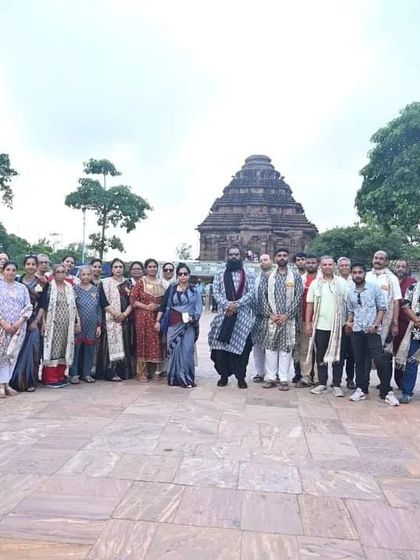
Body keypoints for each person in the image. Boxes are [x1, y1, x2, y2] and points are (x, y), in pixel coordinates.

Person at [346, 263, 399, 405]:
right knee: (360, 361)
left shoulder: (374, 288)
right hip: (357, 331)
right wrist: (349, 322)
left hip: (373, 331)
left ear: (364, 273)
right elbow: (351, 311)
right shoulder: (350, 292)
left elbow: (382, 307)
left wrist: (376, 324)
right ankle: (361, 389)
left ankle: (386, 392)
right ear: (351, 274)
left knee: (379, 360)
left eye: (360, 272)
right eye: (355, 272)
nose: (357, 275)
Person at [209, 245, 255, 389]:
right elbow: (215, 292)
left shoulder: (249, 273)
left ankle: (241, 377)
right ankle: (223, 376)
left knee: (242, 349)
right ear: (227, 256)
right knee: (221, 350)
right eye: (231, 254)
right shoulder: (220, 273)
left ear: (241, 256)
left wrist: (237, 305)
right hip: (223, 316)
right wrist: (228, 305)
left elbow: (252, 292)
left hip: (242, 318)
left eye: (236, 254)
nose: (233, 257)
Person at [257, 249, 303, 391]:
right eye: (279, 256)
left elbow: (298, 297)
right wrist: (270, 314)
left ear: (288, 258)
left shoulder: (295, 276)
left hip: (288, 320)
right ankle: (271, 377)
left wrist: (287, 315)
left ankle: (283, 378)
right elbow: (262, 296)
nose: (282, 258)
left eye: (284, 256)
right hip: (272, 318)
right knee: (271, 348)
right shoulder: (268, 275)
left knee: (286, 349)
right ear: (275, 258)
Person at [306, 256, 349, 396]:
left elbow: (349, 305)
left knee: (338, 357)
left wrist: (349, 321)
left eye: (330, 264)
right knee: (321, 356)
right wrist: (308, 323)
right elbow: (310, 304)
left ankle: (337, 384)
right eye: (324, 264)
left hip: (338, 326)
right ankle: (322, 383)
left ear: (334, 266)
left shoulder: (342, 283)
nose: (327, 267)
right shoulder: (315, 283)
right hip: (320, 325)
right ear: (320, 266)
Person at [156, 263, 202, 388]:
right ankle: (174, 378)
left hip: (189, 325)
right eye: (180, 274)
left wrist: (194, 317)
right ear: (177, 276)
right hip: (173, 324)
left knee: (187, 350)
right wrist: (158, 321)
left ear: (189, 275)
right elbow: (165, 306)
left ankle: (186, 378)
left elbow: (198, 307)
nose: (183, 276)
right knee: (174, 350)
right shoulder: (172, 289)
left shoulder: (195, 290)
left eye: (185, 274)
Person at [366, 251, 402, 390]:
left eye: (381, 259)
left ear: (386, 262)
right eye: (376, 258)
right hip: (367, 321)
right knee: (366, 354)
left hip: (385, 324)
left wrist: (395, 323)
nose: (378, 260)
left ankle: (385, 384)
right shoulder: (367, 276)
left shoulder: (391, 278)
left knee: (384, 355)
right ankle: (363, 383)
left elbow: (396, 301)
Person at [39, 264, 79, 388]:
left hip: (67, 326)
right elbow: (44, 306)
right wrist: (44, 323)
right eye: (58, 272)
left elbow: (74, 306)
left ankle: (60, 376)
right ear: (54, 273)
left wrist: (77, 322)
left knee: (63, 350)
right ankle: (50, 379)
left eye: (63, 272)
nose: (60, 274)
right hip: (53, 325)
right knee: (53, 350)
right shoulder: (49, 287)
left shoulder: (69, 287)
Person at [10, 256, 44, 392]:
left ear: (36, 266)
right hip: (18, 321)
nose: (31, 266)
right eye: (28, 264)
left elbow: (43, 305)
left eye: (33, 264)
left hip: (34, 321)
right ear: (24, 265)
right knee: (16, 350)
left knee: (33, 351)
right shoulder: (17, 281)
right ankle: (14, 381)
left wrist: (36, 321)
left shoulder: (41, 283)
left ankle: (30, 381)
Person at [97, 258, 133, 382]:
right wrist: (115, 314)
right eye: (116, 267)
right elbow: (103, 301)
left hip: (124, 319)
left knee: (124, 344)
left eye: (121, 267)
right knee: (109, 345)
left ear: (124, 269)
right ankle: (110, 372)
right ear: (112, 269)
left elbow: (132, 302)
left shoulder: (128, 283)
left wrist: (124, 314)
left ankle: (123, 372)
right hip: (110, 319)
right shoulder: (105, 282)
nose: (118, 269)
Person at [0, 261, 32, 397]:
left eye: (13, 270)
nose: (11, 272)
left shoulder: (22, 288)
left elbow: (28, 306)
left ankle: (7, 384)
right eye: (8, 269)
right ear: (3, 271)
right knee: (1, 355)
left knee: (12, 355)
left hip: (18, 328)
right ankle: (1, 385)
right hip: (2, 327)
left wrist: (18, 323)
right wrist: (3, 323)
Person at [130, 258, 165, 382]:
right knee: (143, 342)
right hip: (142, 317)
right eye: (150, 266)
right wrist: (146, 307)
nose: (152, 269)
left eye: (154, 266)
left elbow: (165, 302)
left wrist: (157, 307)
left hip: (157, 317)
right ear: (146, 268)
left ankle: (156, 371)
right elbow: (133, 300)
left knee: (156, 342)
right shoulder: (141, 282)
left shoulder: (162, 283)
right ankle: (142, 372)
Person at [70, 266, 102, 384]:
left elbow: (98, 307)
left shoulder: (95, 289)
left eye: (88, 274)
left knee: (89, 349)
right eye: (83, 274)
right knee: (76, 349)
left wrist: (99, 325)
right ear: (79, 276)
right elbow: (72, 307)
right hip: (78, 324)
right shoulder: (74, 289)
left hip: (92, 324)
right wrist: (74, 322)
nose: (86, 277)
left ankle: (86, 373)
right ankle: (74, 374)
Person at [296, 254, 318, 388]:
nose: (310, 265)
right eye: (308, 263)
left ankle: (318, 378)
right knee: (305, 349)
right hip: (304, 319)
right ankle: (306, 376)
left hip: (321, 320)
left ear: (318, 264)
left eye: (313, 263)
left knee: (319, 350)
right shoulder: (301, 280)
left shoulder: (323, 279)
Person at [393, 259, 416, 390]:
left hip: (407, 323)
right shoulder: (391, 280)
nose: (400, 268)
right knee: (390, 353)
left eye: (403, 266)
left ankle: (401, 382)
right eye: (398, 266)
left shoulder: (412, 283)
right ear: (395, 268)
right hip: (391, 321)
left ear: (407, 269)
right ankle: (385, 380)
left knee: (403, 353)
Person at [396, 281, 420, 404]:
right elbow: (405, 305)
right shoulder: (413, 288)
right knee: (412, 362)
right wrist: (416, 320)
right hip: (417, 332)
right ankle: (407, 393)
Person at [252, 254, 273, 383]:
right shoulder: (257, 278)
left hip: (271, 316)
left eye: (265, 260)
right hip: (258, 316)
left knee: (271, 347)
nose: (263, 262)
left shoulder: (276, 276)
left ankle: (271, 374)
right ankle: (260, 372)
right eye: (260, 261)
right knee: (258, 346)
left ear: (271, 261)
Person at [337, 256, 356, 389]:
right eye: (341, 265)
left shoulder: (355, 281)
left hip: (351, 323)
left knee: (351, 353)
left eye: (346, 265)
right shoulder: (334, 280)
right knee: (338, 353)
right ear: (338, 267)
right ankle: (336, 379)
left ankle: (350, 379)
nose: (344, 267)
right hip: (336, 322)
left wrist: (350, 321)